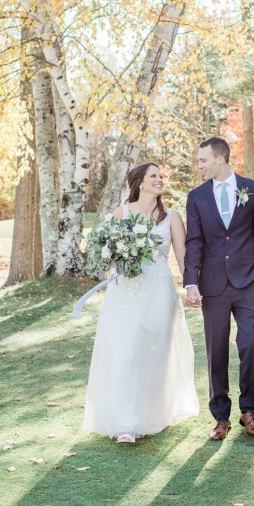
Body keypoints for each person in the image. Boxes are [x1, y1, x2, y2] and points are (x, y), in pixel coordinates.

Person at [82, 163, 200, 444]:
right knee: (128, 351)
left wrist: (192, 286)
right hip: (126, 294)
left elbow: (183, 256)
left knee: (155, 353)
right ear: (139, 182)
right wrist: (119, 256)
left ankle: (152, 414)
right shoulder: (121, 214)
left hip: (160, 290)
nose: (160, 180)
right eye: (153, 176)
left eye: (161, 176)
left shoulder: (171, 217)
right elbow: (106, 253)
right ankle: (126, 422)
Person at [183, 137, 254, 441]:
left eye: (203, 160)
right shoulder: (196, 197)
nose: (199, 165)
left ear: (220, 159)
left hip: (248, 282)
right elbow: (194, 241)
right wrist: (191, 281)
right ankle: (220, 417)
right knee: (216, 350)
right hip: (213, 284)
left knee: (250, 343)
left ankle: (249, 410)